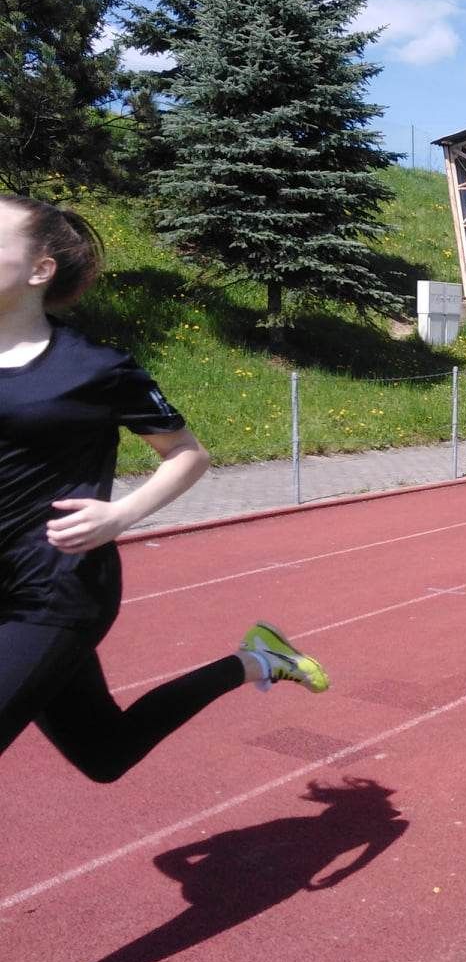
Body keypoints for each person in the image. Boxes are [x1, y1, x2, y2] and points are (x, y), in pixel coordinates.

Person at [0, 195, 328, 784]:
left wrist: (120, 515)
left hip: (51, 586)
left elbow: (188, 454)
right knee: (105, 753)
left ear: (39, 270)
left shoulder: (94, 368)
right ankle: (255, 661)